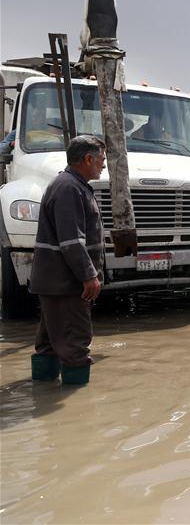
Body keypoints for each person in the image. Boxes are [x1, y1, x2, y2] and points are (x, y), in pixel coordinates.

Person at [29, 135, 106, 385]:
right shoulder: (69, 188)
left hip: (56, 282)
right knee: (76, 344)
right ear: (88, 159)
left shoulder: (71, 185)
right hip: (66, 284)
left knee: (49, 343)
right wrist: (89, 275)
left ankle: (42, 392)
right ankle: (78, 408)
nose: (103, 165)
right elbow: (71, 241)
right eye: (101, 160)